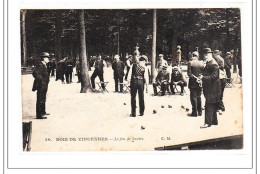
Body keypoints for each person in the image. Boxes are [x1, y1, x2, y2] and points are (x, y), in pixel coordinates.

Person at [200, 48, 221, 128]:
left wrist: (203, 77)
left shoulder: (213, 64)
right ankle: (214, 121)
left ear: (209, 55)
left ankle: (207, 123)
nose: (205, 57)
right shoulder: (210, 62)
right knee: (212, 104)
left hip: (213, 88)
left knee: (208, 105)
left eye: (206, 55)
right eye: (205, 55)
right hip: (212, 88)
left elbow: (214, 77)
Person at [32, 52, 50, 119]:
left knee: (43, 98)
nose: (48, 59)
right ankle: (39, 115)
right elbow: (35, 73)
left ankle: (43, 112)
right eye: (47, 58)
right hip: (41, 85)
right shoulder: (40, 65)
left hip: (44, 85)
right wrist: (41, 81)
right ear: (44, 58)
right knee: (40, 99)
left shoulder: (43, 64)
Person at [187, 51, 204, 117]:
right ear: (198, 56)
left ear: (192, 56)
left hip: (193, 82)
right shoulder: (201, 63)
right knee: (199, 97)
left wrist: (195, 78)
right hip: (200, 82)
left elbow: (189, 74)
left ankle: (194, 112)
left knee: (193, 97)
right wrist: (199, 78)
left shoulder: (190, 63)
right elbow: (203, 73)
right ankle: (200, 112)